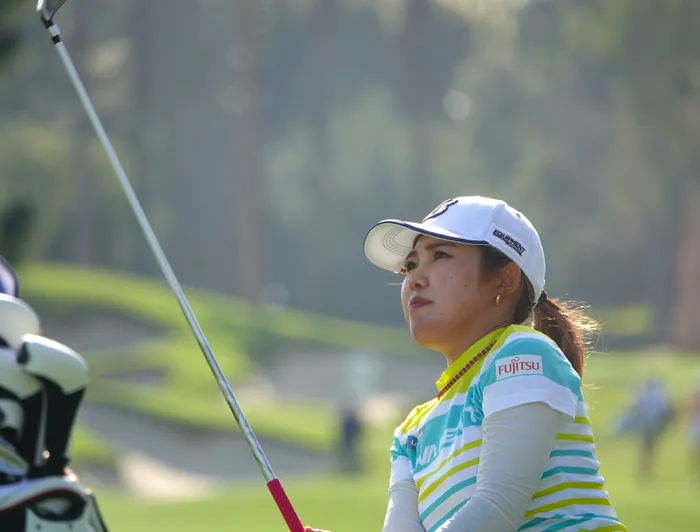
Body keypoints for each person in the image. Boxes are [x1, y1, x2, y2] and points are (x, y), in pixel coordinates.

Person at [305, 196, 626, 532]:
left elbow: (496, 508)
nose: (414, 280)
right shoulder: (411, 431)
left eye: (440, 256)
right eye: (410, 265)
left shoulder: (523, 354)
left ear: (505, 280)